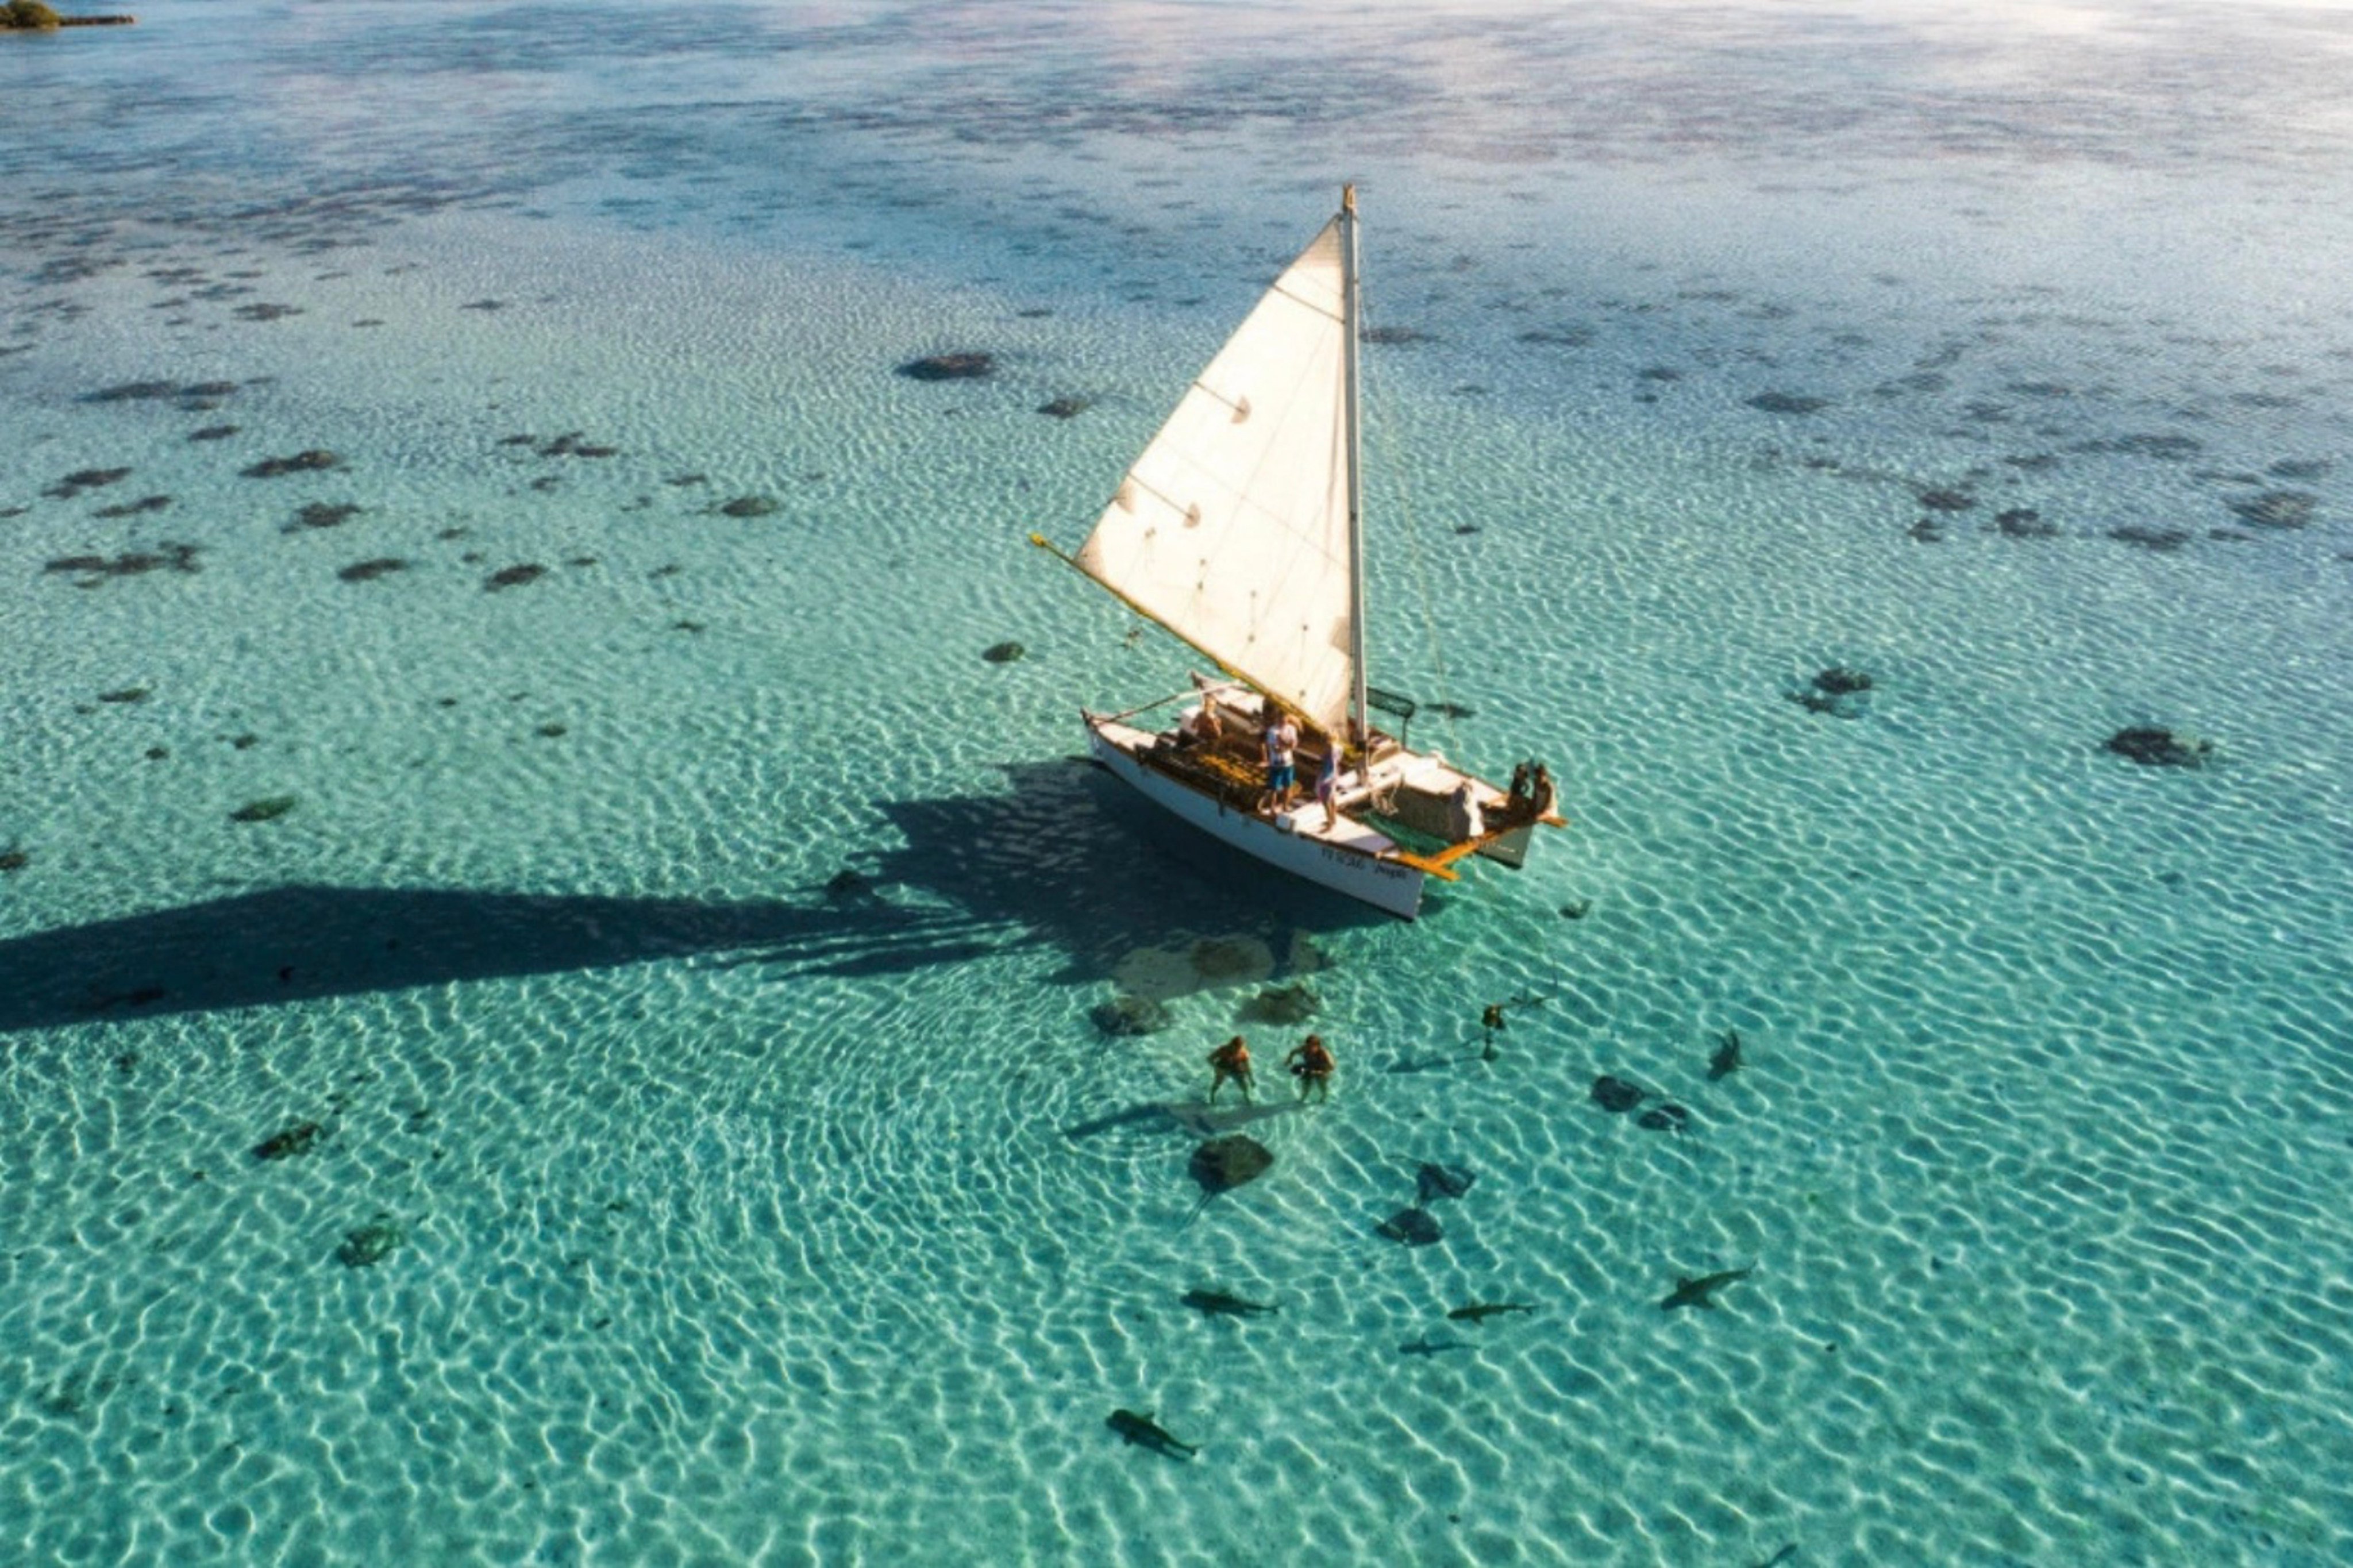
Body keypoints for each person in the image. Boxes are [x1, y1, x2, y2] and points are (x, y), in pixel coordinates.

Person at [1260, 707, 1300, 813]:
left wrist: (1283, 742)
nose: (1283, 722)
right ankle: (1273, 808)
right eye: (1281, 720)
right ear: (1277, 718)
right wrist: (1287, 744)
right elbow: (1276, 749)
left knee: (1288, 785)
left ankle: (1285, 806)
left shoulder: (1292, 729)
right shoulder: (1272, 731)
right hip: (1276, 763)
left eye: (1285, 720)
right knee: (1275, 788)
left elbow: (1293, 745)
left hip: (1288, 763)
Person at [1286, 1034, 1335, 1104]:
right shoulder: (1305, 1048)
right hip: (1310, 1067)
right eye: (1308, 1046)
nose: (1309, 1048)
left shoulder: (1324, 1053)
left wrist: (1318, 1072)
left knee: (1322, 1086)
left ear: (1318, 1046)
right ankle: (1302, 1100)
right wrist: (1289, 1060)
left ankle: (1324, 1098)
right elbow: (1293, 1052)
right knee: (1306, 1085)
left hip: (1322, 1070)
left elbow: (1332, 1066)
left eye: (1312, 1047)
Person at [1208, 1035, 1254, 1104]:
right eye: (1235, 1048)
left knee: (1244, 1085)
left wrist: (1251, 1080)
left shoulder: (1243, 1053)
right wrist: (1217, 1068)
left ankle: (1246, 1097)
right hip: (1223, 1067)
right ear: (1231, 1045)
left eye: (1239, 1049)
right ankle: (1212, 1096)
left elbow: (1248, 1067)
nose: (1236, 1051)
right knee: (1218, 1082)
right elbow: (1209, 1059)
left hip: (1236, 1067)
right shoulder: (1223, 1050)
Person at [1313, 735, 1341, 821]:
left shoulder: (1331, 750)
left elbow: (1328, 764)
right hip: (1333, 775)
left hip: (1328, 777)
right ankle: (1333, 819)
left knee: (1326, 801)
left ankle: (1330, 822)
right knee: (1332, 798)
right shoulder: (1338, 749)